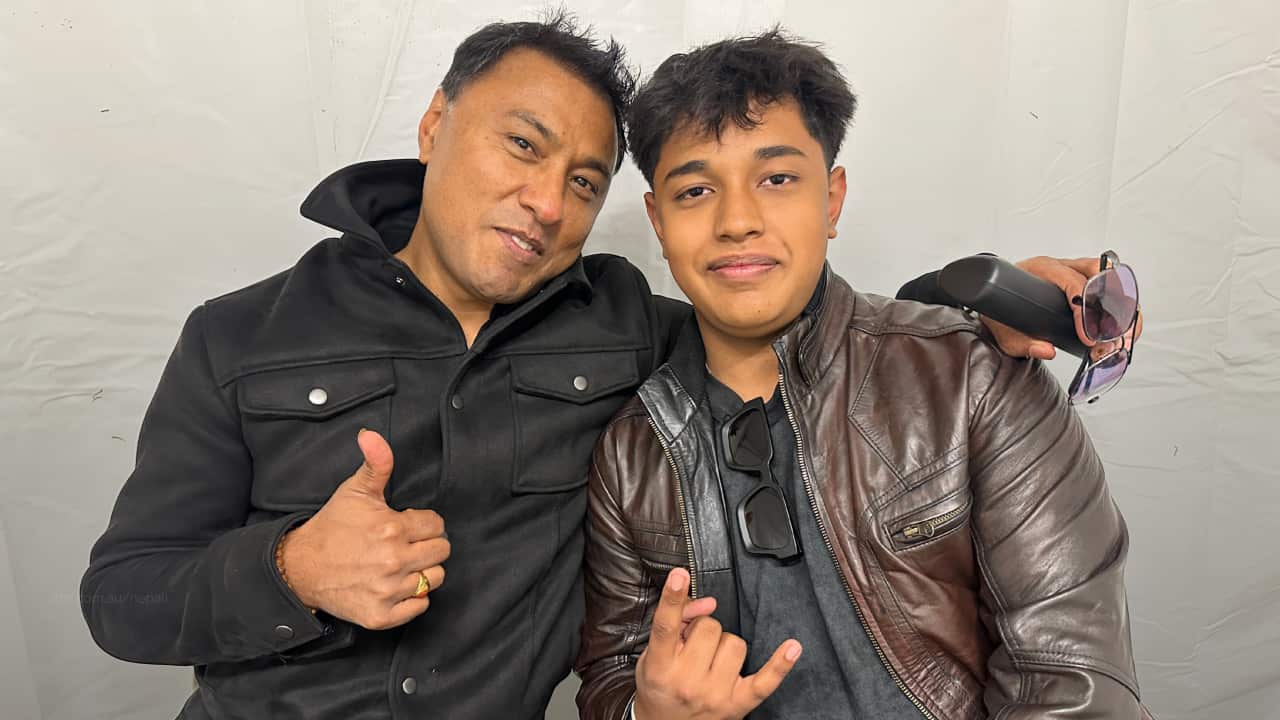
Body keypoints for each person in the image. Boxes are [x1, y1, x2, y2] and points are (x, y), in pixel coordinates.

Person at [80, 14, 1129, 720]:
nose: (546, 201)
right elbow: (120, 597)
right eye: (522, 147)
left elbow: (778, 315)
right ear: (436, 124)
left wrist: (969, 313)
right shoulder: (236, 335)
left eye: (584, 180)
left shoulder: (622, 325)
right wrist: (287, 572)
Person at [575, 31, 1151, 719]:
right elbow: (612, 675)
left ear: (833, 199)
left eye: (778, 179)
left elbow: (1072, 681)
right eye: (695, 190)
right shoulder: (631, 453)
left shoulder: (975, 380)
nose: (736, 221)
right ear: (658, 224)